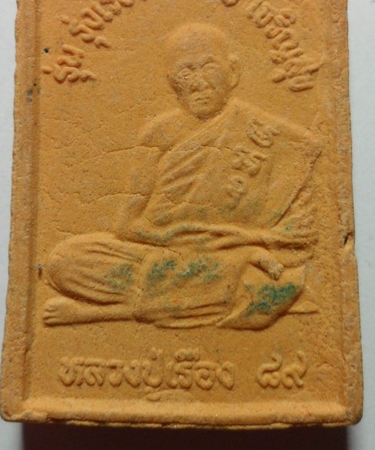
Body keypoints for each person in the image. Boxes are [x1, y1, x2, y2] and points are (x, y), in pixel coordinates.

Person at [43, 23, 320, 329]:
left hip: (230, 256)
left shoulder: (279, 140)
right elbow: (126, 226)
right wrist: (173, 237)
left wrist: (244, 239)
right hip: (175, 254)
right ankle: (206, 294)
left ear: (233, 72)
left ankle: (102, 312)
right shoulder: (157, 133)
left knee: (259, 275)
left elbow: (301, 235)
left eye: (209, 68)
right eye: (186, 72)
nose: (199, 83)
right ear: (172, 82)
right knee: (65, 260)